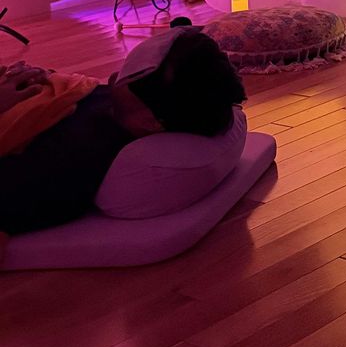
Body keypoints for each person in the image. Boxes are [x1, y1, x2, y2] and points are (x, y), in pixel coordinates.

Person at [0, 24, 245, 257]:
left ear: (151, 121)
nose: (125, 70)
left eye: (140, 72)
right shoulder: (115, 104)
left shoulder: (69, 160)